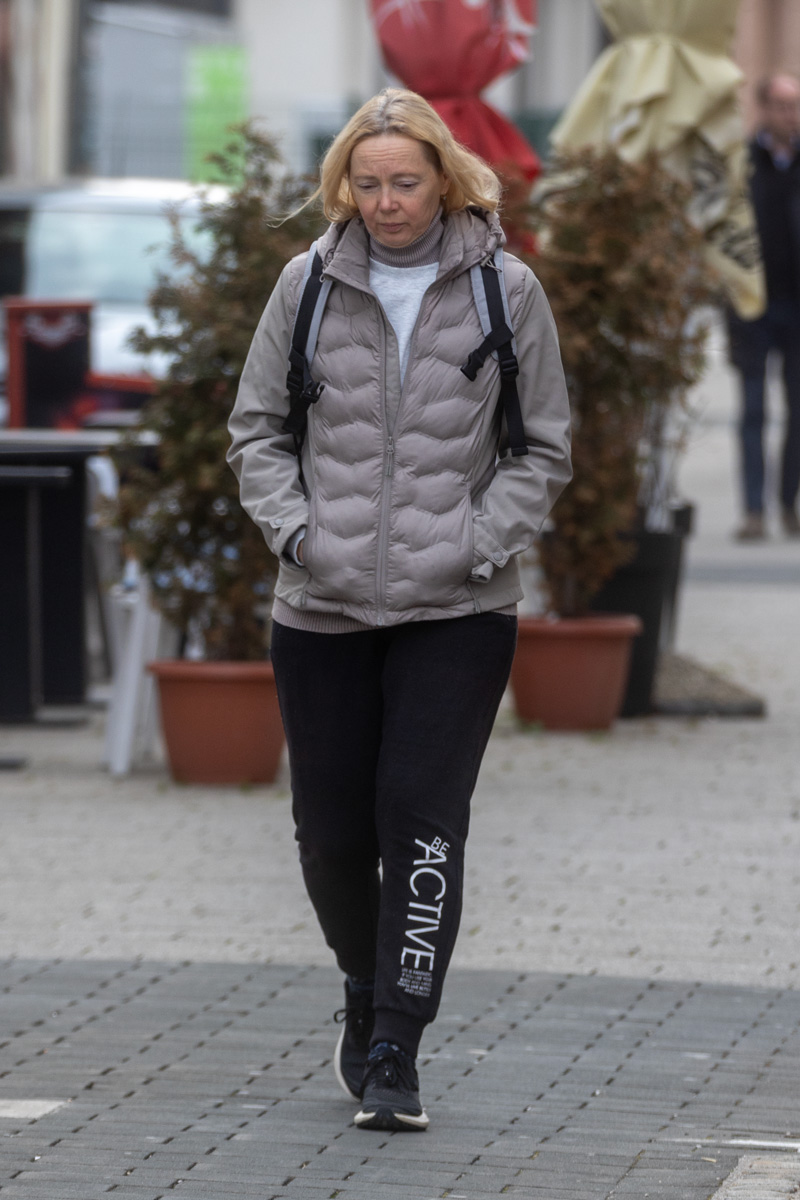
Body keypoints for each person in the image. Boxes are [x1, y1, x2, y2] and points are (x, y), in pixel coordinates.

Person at [227, 88, 571, 1132]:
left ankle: (395, 1043)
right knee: (331, 835)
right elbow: (256, 433)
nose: (386, 202)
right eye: (368, 183)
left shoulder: (507, 291)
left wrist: (475, 544)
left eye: (405, 182)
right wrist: (299, 537)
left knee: (420, 821)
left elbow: (542, 449)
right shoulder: (307, 285)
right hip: (321, 607)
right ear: (345, 185)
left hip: (457, 611)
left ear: (443, 180)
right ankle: (361, 981)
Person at [727, 73, 800, 541]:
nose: (790, 115)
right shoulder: (741, 164)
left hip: (797, 307)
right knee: (753, 410)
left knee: (797, 411)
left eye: (795, 106)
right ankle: (754, 511)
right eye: (782, 105)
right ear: (764, 109)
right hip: (751, 307)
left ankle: (787, 504)